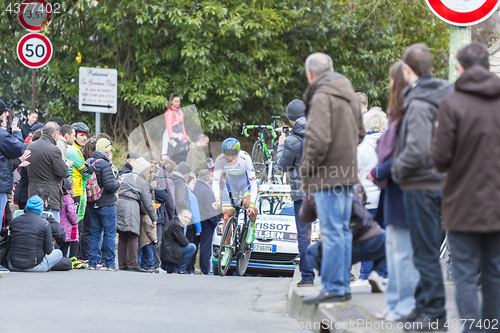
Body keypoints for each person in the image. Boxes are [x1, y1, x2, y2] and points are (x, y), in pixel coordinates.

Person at [432, 43, 500, 328]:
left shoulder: (452, 104)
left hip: (462, 205)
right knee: (495, 274)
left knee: (464, 275)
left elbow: (440, 158)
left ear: (460, 68)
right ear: (487, 68)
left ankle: (472, 329)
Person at [391, 44, 452, 330]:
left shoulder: (417, 101)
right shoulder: (447, 95)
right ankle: (423, 305)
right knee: (430, 248)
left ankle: (434, 313)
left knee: (424, 251)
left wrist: (397, 170)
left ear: (407, 69)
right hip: (446, 182)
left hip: (421, 185)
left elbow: (415, 149)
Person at [300, 52, 364, 305]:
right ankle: (341, 285)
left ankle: (333, 287)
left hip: (327, 176)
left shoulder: (322, 96)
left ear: (310, 74)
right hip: (347, 173)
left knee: (331, 231)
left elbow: (317, 140)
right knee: (342, 231)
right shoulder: (348, 94)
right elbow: (360, 133)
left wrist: (306, 170)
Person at [368, 61, 420, 322]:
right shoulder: (398, 111)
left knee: (403, 252)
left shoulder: (409, 109)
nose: (389, 85)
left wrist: (380, 171)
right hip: (394, 188)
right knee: (396, 250)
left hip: (403, 186)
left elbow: (409, 152)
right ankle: (397, 304)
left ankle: (405, 306)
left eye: (391, 80)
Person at [306, 188, 386, 292]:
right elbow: (364, 197)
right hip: (370, 243)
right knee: (389, 238)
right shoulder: (353, 184)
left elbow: (305, 217)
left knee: (311, 252)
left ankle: (336, 279)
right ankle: (377, 273)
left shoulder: (315, 188)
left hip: (339, 251)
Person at [276, 99, 315, 287]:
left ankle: (307, 278)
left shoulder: (291, 140)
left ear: (290, 118)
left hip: (302, 195)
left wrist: (281, 145)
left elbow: (281, 167)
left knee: (304, 235)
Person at [211, 138, 258, 266]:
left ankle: (252, 225)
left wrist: (252, 205)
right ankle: (226, 249)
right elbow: (215, 180)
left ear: (238, 152)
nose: (230, 157)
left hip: (246, 185)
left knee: (248, 205)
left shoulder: (245, 158)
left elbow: (253, 183)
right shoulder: (220, 160)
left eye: (233, 154)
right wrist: (217, 198)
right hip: (230, 185)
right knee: (227, 216)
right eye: (227, 153)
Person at [355, 106, 388, 283]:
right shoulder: (389, 144)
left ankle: (365, 275)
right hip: (384, 198)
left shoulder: (360, 147)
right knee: (384, 235)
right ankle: (384, 273)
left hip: (366, 200)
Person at [116, 157, 157, 272]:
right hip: (131, 205)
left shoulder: (125, 176)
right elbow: (148, 203)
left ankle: (122, 264)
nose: (148, 173)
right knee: (133, 235)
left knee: (123, 235)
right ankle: (133, 264)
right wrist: (154, 218)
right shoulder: (141, 181)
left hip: (120, 204)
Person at [27, 121, 70, 222]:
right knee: (51, 229)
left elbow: (25, 168)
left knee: (34, 226)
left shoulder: (30, 146)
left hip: (32, 194)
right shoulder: (54, 150)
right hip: (51, 195)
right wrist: (67, 166)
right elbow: (63, 172)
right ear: (55, 135)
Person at [88, 138, 121, 270]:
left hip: (92, 204)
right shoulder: (105, 164)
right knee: (109, 234)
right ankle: (110, 264)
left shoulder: (90, 162)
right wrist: (119, 183)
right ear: (107, 151)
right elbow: (109, 185)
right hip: (106, 205)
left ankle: (92, 263)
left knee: (95, 234)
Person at [8, 195, 63, 272]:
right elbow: (48, 250)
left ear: (26, 207)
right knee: (59, 253)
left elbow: (9, 244)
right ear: (41, 209)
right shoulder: (45, 223)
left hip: (12, 265)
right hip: (34, 266)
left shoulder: (14, 221)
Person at [193, 169, 218, 275]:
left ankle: (190, 267)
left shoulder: (193, 188)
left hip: (194, 221)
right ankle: (204, 269)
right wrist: (214, 223)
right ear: (209, 178)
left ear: (198, 176)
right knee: (205, 247)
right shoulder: (207, 191)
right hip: (206, 223)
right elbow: (211, 210)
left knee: (193, 244)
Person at [160, 209, 196, 274]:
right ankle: (179, 269)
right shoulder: (176, 225)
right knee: (192, 247)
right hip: (169, 252)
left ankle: (177, 268)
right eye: (185, 217)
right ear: (179, 215)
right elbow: (185, 243)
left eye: (189, 218)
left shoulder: (175, 222)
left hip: (168, 251)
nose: (186, 220)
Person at [162, 93, 189, 163]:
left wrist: (185, 136)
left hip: (179, 135)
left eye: (178, 102)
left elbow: (182, 124)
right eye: (175, 101)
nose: (177, 103)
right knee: (170, 154)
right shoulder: (169, 112)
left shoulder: (180, 111)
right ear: (171, 102)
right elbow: (169, 125)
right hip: (171, 136)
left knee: (177, 154)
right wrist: (171, 137)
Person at [185, 174, 202, 274]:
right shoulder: (191, 195)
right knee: (190, 246)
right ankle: (189, 268)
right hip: (191, 226)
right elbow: (195, 213)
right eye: (193, 183)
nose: (194, 185)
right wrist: (199, 228)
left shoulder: (181, 193)